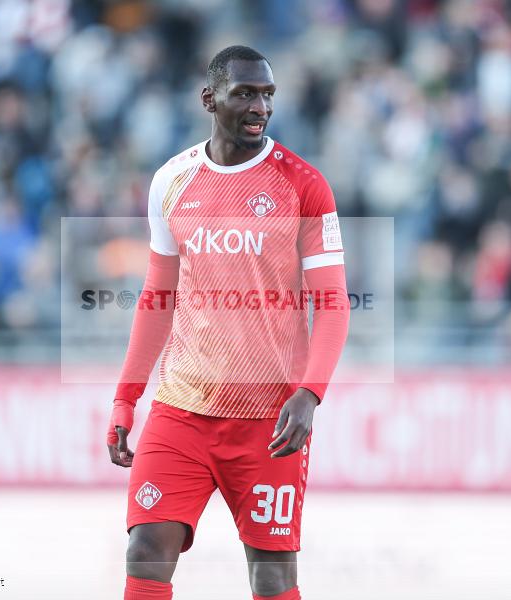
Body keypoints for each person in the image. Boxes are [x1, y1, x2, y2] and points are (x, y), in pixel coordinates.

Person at [106, 46, 350, 600]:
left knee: (271, 575)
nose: (260, 105)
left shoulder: (305, 187)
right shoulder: (172, 181)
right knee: (145, 552)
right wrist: (126, 398)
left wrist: (310, 393)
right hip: (181, 408)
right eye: (246, 93)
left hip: (268, 417)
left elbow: (333, 303)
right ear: (209, 98)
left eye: (267, 94)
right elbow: (157, 296)